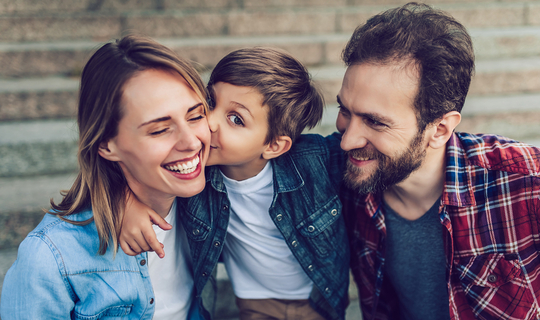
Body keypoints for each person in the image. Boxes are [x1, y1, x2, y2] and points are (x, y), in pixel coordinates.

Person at [337, 3, 540, 320]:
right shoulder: (347, 177)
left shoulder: (526, 183)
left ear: (440, 129)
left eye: (375, 122)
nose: (347, 140)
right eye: (345, 111)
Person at [121, 47, 350, 320]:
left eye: (236, 119)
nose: (211, 122)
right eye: (211, 102)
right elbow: (139, 165)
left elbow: (365, 149)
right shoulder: (194, 176)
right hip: (255, 303)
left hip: (319, 301)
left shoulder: (313, 162)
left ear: (274, 145)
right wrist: (125, 200)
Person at [0, 35, 216, 320]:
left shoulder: (214, 198)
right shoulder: (51, 256)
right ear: (106, 144)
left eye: (195, 116)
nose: (191, 142)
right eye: (160, 129)